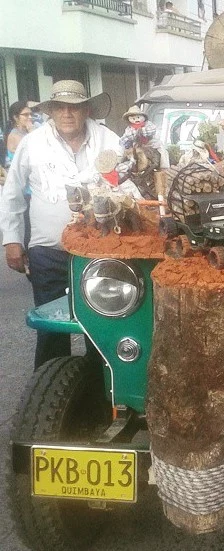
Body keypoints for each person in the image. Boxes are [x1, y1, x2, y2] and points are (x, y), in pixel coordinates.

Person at [0, 80, 120, 369]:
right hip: (48, 251)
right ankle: (47, 394)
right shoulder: (32, 143)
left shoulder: (109, 140)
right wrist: (12, 240)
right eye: (61, 107)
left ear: (87, 109)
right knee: (51, 327)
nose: (68, 114)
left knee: (102, 322)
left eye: (75, 107)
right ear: (51, 111)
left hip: (100, 250)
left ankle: (99, 392)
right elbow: (13, 192)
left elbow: (128, 186)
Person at [4, 101, 34, 167]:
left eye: (30, 114)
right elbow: (33, 151)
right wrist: (31, 132)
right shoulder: (14, 135)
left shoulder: (28, 131)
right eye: (26, 115)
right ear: (16, 117)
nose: (30, 117)